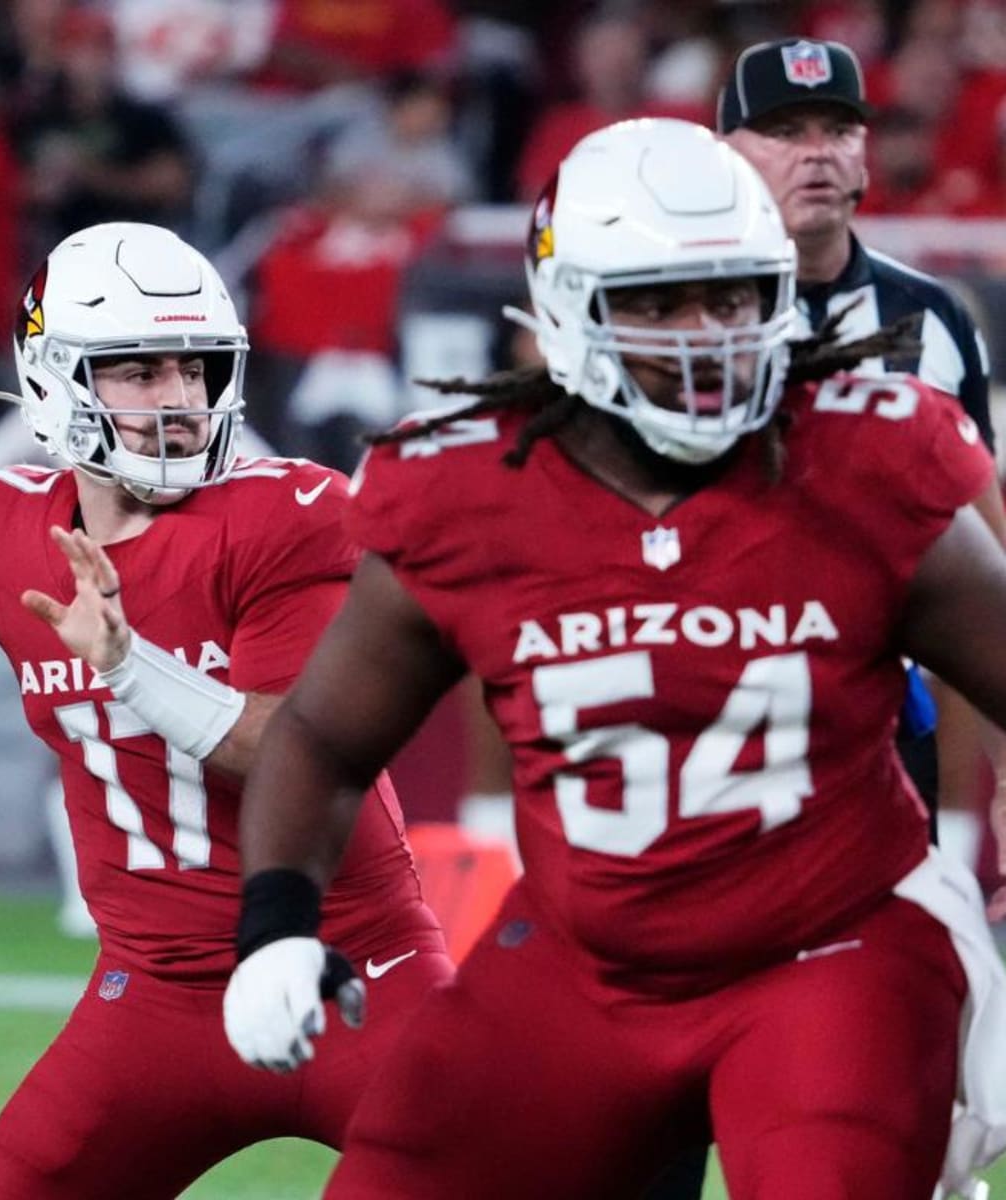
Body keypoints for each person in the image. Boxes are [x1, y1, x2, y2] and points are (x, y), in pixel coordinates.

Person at [221, 120, 1006, 1200]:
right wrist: (275, 924)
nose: (707, 334)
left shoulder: (868, 455)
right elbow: (322, 735)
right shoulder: (462, 493)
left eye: (732, 295)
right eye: (658, 302)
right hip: (583, 966)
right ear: (566, 310)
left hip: (830, 951)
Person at [0, 221, 452, 1197]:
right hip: (150, 998)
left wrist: (131, 666)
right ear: (53, 378)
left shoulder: (288, 512)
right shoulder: (3, 521)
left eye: (193, 370)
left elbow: (303, 745)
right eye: (139, 372)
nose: (180, 400)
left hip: (355, 971)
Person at [718, 35, 1006, 870]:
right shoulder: (674, 311)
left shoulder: (933, 315)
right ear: (726, 153)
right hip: (710, 708)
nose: (816, 154)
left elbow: (983, 548)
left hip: (879, 711)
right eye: (785, 130)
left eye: (837, 130)